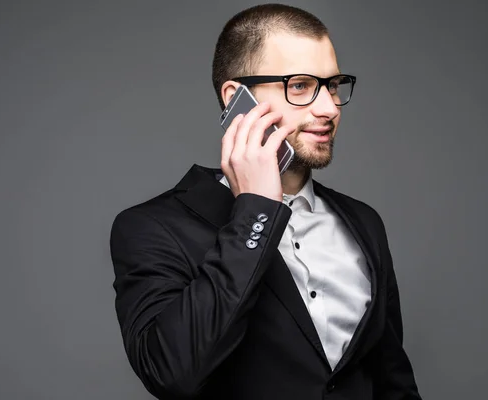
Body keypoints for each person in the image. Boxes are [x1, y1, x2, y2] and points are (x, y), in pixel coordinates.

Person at [110, 3, 422, 399]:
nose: (328, 108)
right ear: (236, 98)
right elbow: (172, 373)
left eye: (332, 84)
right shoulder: (152, 228)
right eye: (300, 85)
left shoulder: (364, 223)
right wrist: (255, 211)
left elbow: (393, 380)